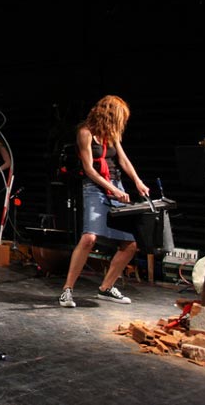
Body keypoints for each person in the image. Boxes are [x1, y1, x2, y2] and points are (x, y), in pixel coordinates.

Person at [59, 95, 149, 308]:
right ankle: (67, 290)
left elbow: (123, 160)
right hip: (95, 188)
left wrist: (137, 181)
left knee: (130, 244)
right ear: (108, 115)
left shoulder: (112, 133)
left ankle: (106, 288)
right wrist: (113, 190)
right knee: (89, 238)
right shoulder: (85, 133)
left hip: (116, 185)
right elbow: (89, 169)